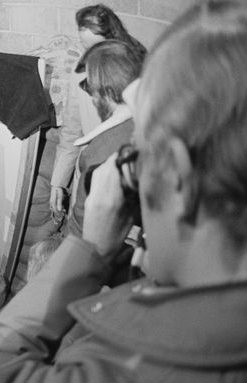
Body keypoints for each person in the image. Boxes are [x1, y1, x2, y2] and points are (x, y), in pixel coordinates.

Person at [0, 1, 247, 383]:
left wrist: (87, 251)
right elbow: (74, 133)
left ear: (177, 172)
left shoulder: (120, 363)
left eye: (137, 150)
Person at [49, 4, 146, 220]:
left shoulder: (139, 69)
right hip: (88, 174)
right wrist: (58, 182)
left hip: (126, 180)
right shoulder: (80, 72)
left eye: (97, 48)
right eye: (85, 47)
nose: (90, 57)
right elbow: (71, 132)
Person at [61, 39, 144, 238]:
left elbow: (81, 230)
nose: (91, 97)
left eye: (90, 87)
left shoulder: (98, 154)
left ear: (106, 92)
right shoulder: (150, 123)